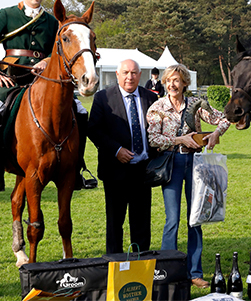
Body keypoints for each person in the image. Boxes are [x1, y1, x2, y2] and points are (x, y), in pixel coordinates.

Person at [0, 0, 92, 193]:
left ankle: (78, 168)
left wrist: (47, 60)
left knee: (81, 112)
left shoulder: (51, 20)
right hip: (12, 76)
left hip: (45, 79)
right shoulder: (7, 15)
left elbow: (60, 49)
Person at [146, 64, 230, 288]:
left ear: (185, 83)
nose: (173, 84)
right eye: (169, 80)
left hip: (196, 164)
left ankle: (194, 272)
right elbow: (153, 139)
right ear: (164, 83)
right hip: (172, 164)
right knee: (172, 220)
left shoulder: (196, 104)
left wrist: (215, 133)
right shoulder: (158, 107)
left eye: (177, 80)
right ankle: (167, 271)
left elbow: (224, 119)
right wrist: (179, 140)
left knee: (196, 218)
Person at [87, 59, 158, 254]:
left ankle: (141, 264)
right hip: (115, 171)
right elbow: (93, 129)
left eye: (134, 73)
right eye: (125, 72)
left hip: (143, 171)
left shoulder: (151, 98)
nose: (130, 77)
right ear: (117, 74)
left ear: (140, 75)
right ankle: (115, 265)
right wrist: (116, 150)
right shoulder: (104, 98)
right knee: (114, 223)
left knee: (142, 224)